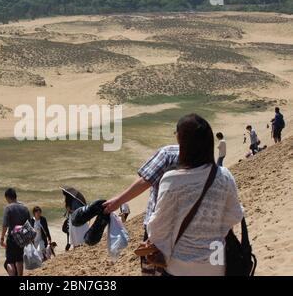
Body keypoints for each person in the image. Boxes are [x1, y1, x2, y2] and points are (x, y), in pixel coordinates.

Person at [147, 114, 244, 276]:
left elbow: (159, 226)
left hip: (179, 265)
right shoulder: (225, 176)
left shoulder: (172, 180)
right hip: (216, 263)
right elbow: (235, 215)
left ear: (182, 142)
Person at [103, 144, 179, 274]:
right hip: (188, 225)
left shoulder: (168, 153)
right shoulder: (204, 154)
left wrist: (118, 201)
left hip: (158, 225)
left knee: (151, 268)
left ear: (179, 135)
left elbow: (145, 181)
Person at [0, 188, 31, 276]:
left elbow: (5, 225)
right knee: (19, 259)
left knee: (10, 261)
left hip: (12, 238)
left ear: (7, 197)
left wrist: (2, 238)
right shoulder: (24, 208)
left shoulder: (8, 208)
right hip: (22, 238)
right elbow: (29, 225)